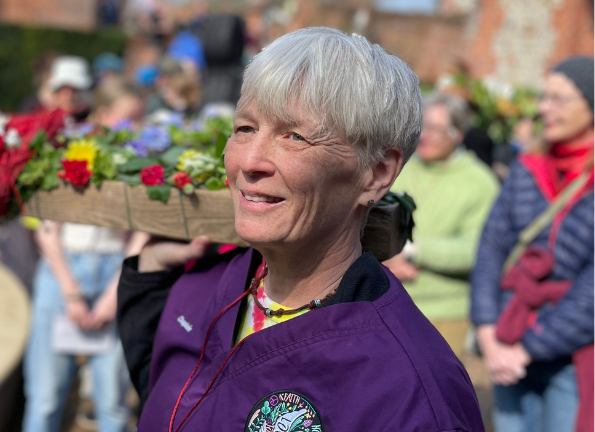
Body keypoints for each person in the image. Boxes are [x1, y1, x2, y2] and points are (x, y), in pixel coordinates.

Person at [118, 27, 483, 431]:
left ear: (376, 173)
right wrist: (149, 272)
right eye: (245, 128)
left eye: (295, 136)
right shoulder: (201, 291)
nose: (250, 161)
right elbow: (169, 402)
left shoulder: (410, 390)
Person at [470, 56, 594, 432]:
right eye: (544, 97)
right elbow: (491, 248)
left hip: (574, 352)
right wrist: (488, 331)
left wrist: (531, 348)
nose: (543, 108)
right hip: (508, 334)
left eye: (559, 99)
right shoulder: (527, 167)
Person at [23, 81, 144, 432]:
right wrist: (70, 290)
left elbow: (142, 234)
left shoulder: (143, 160)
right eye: (129, 119)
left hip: (114, 272)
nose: (137, 128)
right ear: (104, 115)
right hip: (63, 272)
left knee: (113, 405)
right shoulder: (71, 152)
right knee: (45, 401)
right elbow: (47, 230)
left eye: (140, 119)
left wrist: (113, 294)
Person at [384, 93, 500, 354]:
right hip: (386, 301)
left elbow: (479, 249)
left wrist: (411, 251)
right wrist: (385, 257)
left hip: (445, 313)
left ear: (457, 133)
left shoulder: (480, 182)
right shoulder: (400, 167)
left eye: (435, 129)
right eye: (422, 126)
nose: (424, 135)